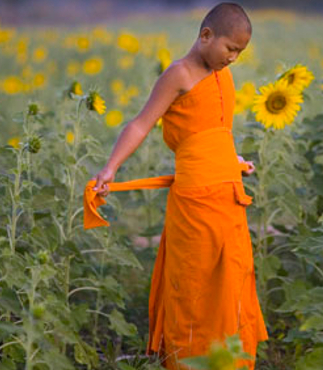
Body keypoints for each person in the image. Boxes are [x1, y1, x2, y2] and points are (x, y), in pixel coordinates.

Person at [84, 3, 268, 369]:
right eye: (230, 49)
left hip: (229, 196)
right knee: (194, 284)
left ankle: (229, 361)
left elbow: (215, 134)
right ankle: (187, 361)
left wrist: (234, 161)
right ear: (205, 36)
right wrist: (110, 168)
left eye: (240, 53)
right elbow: (139, 124)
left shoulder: (223, 76)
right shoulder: (179, 74)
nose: (233, 58)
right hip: (195, 201)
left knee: (230, 279)